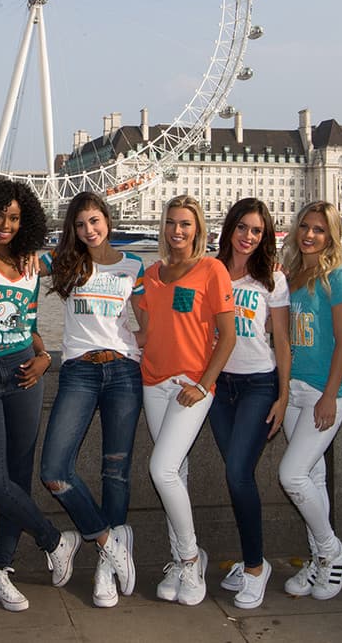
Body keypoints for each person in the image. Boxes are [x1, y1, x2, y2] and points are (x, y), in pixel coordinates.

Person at [0, 178, 80, 611]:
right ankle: (54, 539)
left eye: (15, 217)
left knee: (18, 477)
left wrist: (45, 356)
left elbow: (28, 323)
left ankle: (0, 571)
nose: (6, 224)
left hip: (25, 371)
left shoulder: (30, 263)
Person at [38, 192, 145, 608]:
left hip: (122, 371)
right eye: (80, 224)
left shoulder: (134, 266)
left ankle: (106, 566)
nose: (89, 230)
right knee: (53, 469)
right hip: (79, 369)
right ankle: (109, 541)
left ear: (108, 220)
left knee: (115, 472)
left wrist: (132, 347)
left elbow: (149, 325)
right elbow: (17, 268)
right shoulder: (63, 262)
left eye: (95, 221)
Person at [134, 194, 234, 607]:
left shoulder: (212, 271)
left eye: (186, 224)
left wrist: (205, 384)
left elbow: (227, 337)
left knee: (162, 468)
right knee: (178, 471)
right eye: (172, 223)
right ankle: (179, 559)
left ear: (198, 229)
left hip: (191, 385)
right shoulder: (151, 274)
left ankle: (191, 558)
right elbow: (140, 329)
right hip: (153, 382)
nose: (178, 230)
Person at [209, 198, 291, 610]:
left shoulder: (272, 278)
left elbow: (282, 341)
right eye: (243, 227)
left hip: (259, 384)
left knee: (239, 472)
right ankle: (248, 559)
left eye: (257, 231)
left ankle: (257, 567)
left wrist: (283, 395)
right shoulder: (212, 271)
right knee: (235, 473)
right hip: (219, 388)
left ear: (265, 237)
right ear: (230, 229)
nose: (248, 237)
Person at [279, 200, 342, 600]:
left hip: (325, 395)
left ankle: (333, 549)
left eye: (319, 230)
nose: (309, 235)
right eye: (305, 227)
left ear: (331, 236)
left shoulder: (337, 279)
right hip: (292, 392)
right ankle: (319, 560)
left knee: (291, 475)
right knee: (313, 478)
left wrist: (329, 395)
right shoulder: (290, 275)